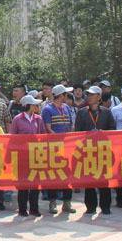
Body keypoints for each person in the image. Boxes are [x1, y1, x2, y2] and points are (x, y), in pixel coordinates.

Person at [74, 86, 115, 215]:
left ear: (99, 97)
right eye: (88, 95)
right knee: (89, 180)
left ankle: (105, 206)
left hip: (103, 151)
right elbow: (77, 132)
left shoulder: (107, 112)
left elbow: (113, 130)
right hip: (87, 151)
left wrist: (103, 133)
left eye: (92, 95)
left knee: (104, 180)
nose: (89, 97)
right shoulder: (81, 112)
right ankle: (90, 207)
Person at [41, 84, 76, 214]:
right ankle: (52, 203)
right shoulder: (47, 109)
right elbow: (48, 128)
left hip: (67, 147)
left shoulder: (67, 108)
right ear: (61, 95)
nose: (67, 96)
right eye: (66, 94)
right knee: (53, 176)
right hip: (53, 148)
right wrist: (59, 140)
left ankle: (67, 203)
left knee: (68, 175)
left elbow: (71, 125)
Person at [11, 95, 44, 216]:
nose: (37, 106)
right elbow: (12, 138)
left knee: (35, 184)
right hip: (22, 156)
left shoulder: (38, 119)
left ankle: (34, 208)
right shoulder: (17, 119)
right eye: (34, 104)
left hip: (36, 155)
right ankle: (22, 209)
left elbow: (42, 135)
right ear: (28, 105)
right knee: (23, 184)